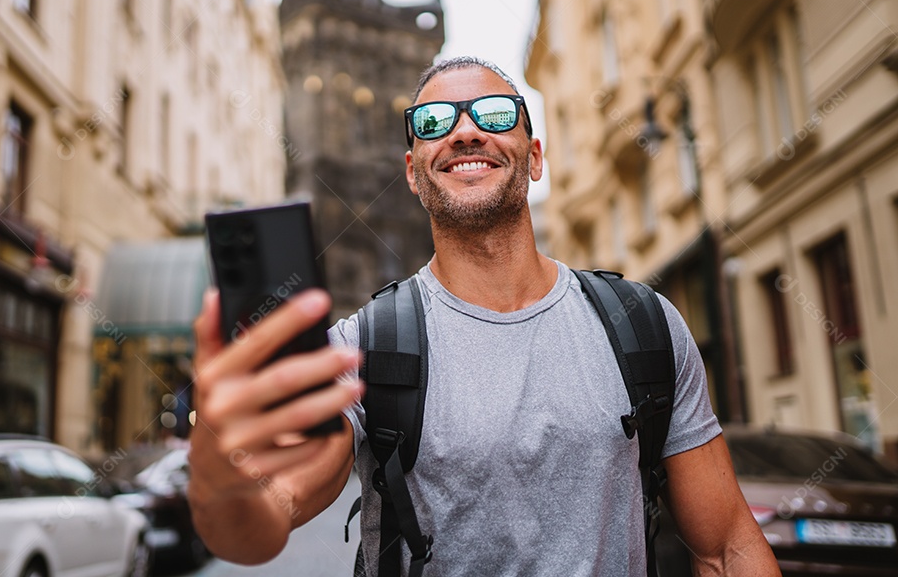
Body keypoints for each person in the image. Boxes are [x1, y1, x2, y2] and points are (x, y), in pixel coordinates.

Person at [188, 57, 780, 576]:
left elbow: (727, 547)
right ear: (413, 172)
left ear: (535, 157)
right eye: (433, 122)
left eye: (494, 115)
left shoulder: (643, 325)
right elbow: (261, 523)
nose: (466, 131)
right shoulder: (363, 349)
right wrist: (216, 455)